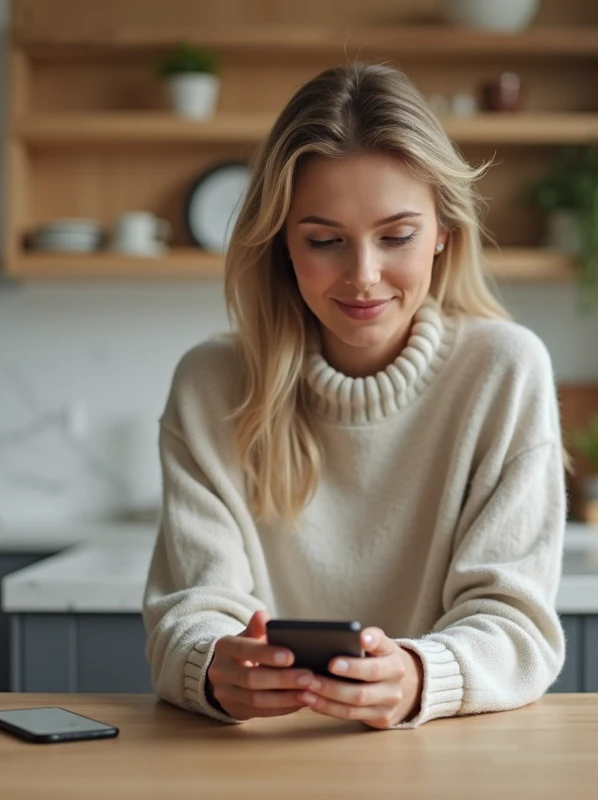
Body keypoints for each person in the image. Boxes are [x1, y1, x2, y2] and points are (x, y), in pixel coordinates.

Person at [143, 62, 565, 730]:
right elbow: (190, 614)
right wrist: (214, 668)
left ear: (443, 234)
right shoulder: (210, 386)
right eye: (324, 241)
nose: (363, 277)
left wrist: (420, 676)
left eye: (396, 236)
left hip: (447, 763)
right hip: (257, 765)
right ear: (282, 244)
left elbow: (516, 625)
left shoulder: (505, 371)